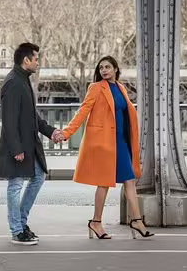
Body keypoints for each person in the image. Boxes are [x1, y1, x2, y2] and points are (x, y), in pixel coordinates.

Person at [61, 56, 154, 240]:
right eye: (101, 67)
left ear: (115, 69)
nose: (104, 70)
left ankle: (136, 220)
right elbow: (83, 111)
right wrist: (66, 132)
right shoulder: (96, 88)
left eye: (108, 67)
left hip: (122, 142)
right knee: (103, 183)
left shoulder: (121, 88)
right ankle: (96, 222)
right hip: (105, 143)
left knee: (129, 180)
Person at [0, 42, 65, 245]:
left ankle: (21, 224)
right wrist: (16, 149)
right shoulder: (13, 82)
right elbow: (8, 120)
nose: (38, 63)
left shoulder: (22, 79)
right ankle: (17, 231)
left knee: (39, 176)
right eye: (36, 59)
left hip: (28, 145)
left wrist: (51, 132)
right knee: (15, 184)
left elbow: (31, 116)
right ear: (26, 60)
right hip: (18, 147)